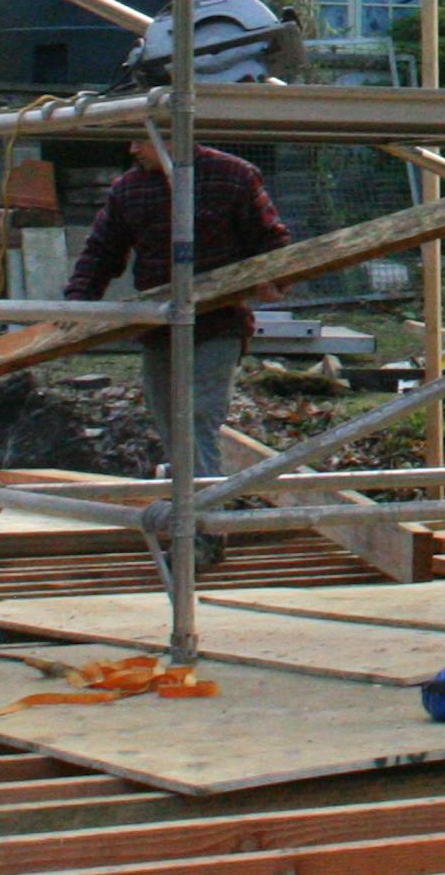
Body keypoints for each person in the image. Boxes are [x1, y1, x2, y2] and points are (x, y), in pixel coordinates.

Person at [63, 132, 287, 565]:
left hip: (218, 323)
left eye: (140, 140)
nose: (131, 149)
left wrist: (274, 276)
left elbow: (272, 239)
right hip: (159, 326)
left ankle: (199, 534)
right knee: (171, 422)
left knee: (197, 417)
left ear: (171, 138)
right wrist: (76, 306)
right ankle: (198, 516)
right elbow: (101, 252)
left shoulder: (232, 177)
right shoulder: (130, 188)